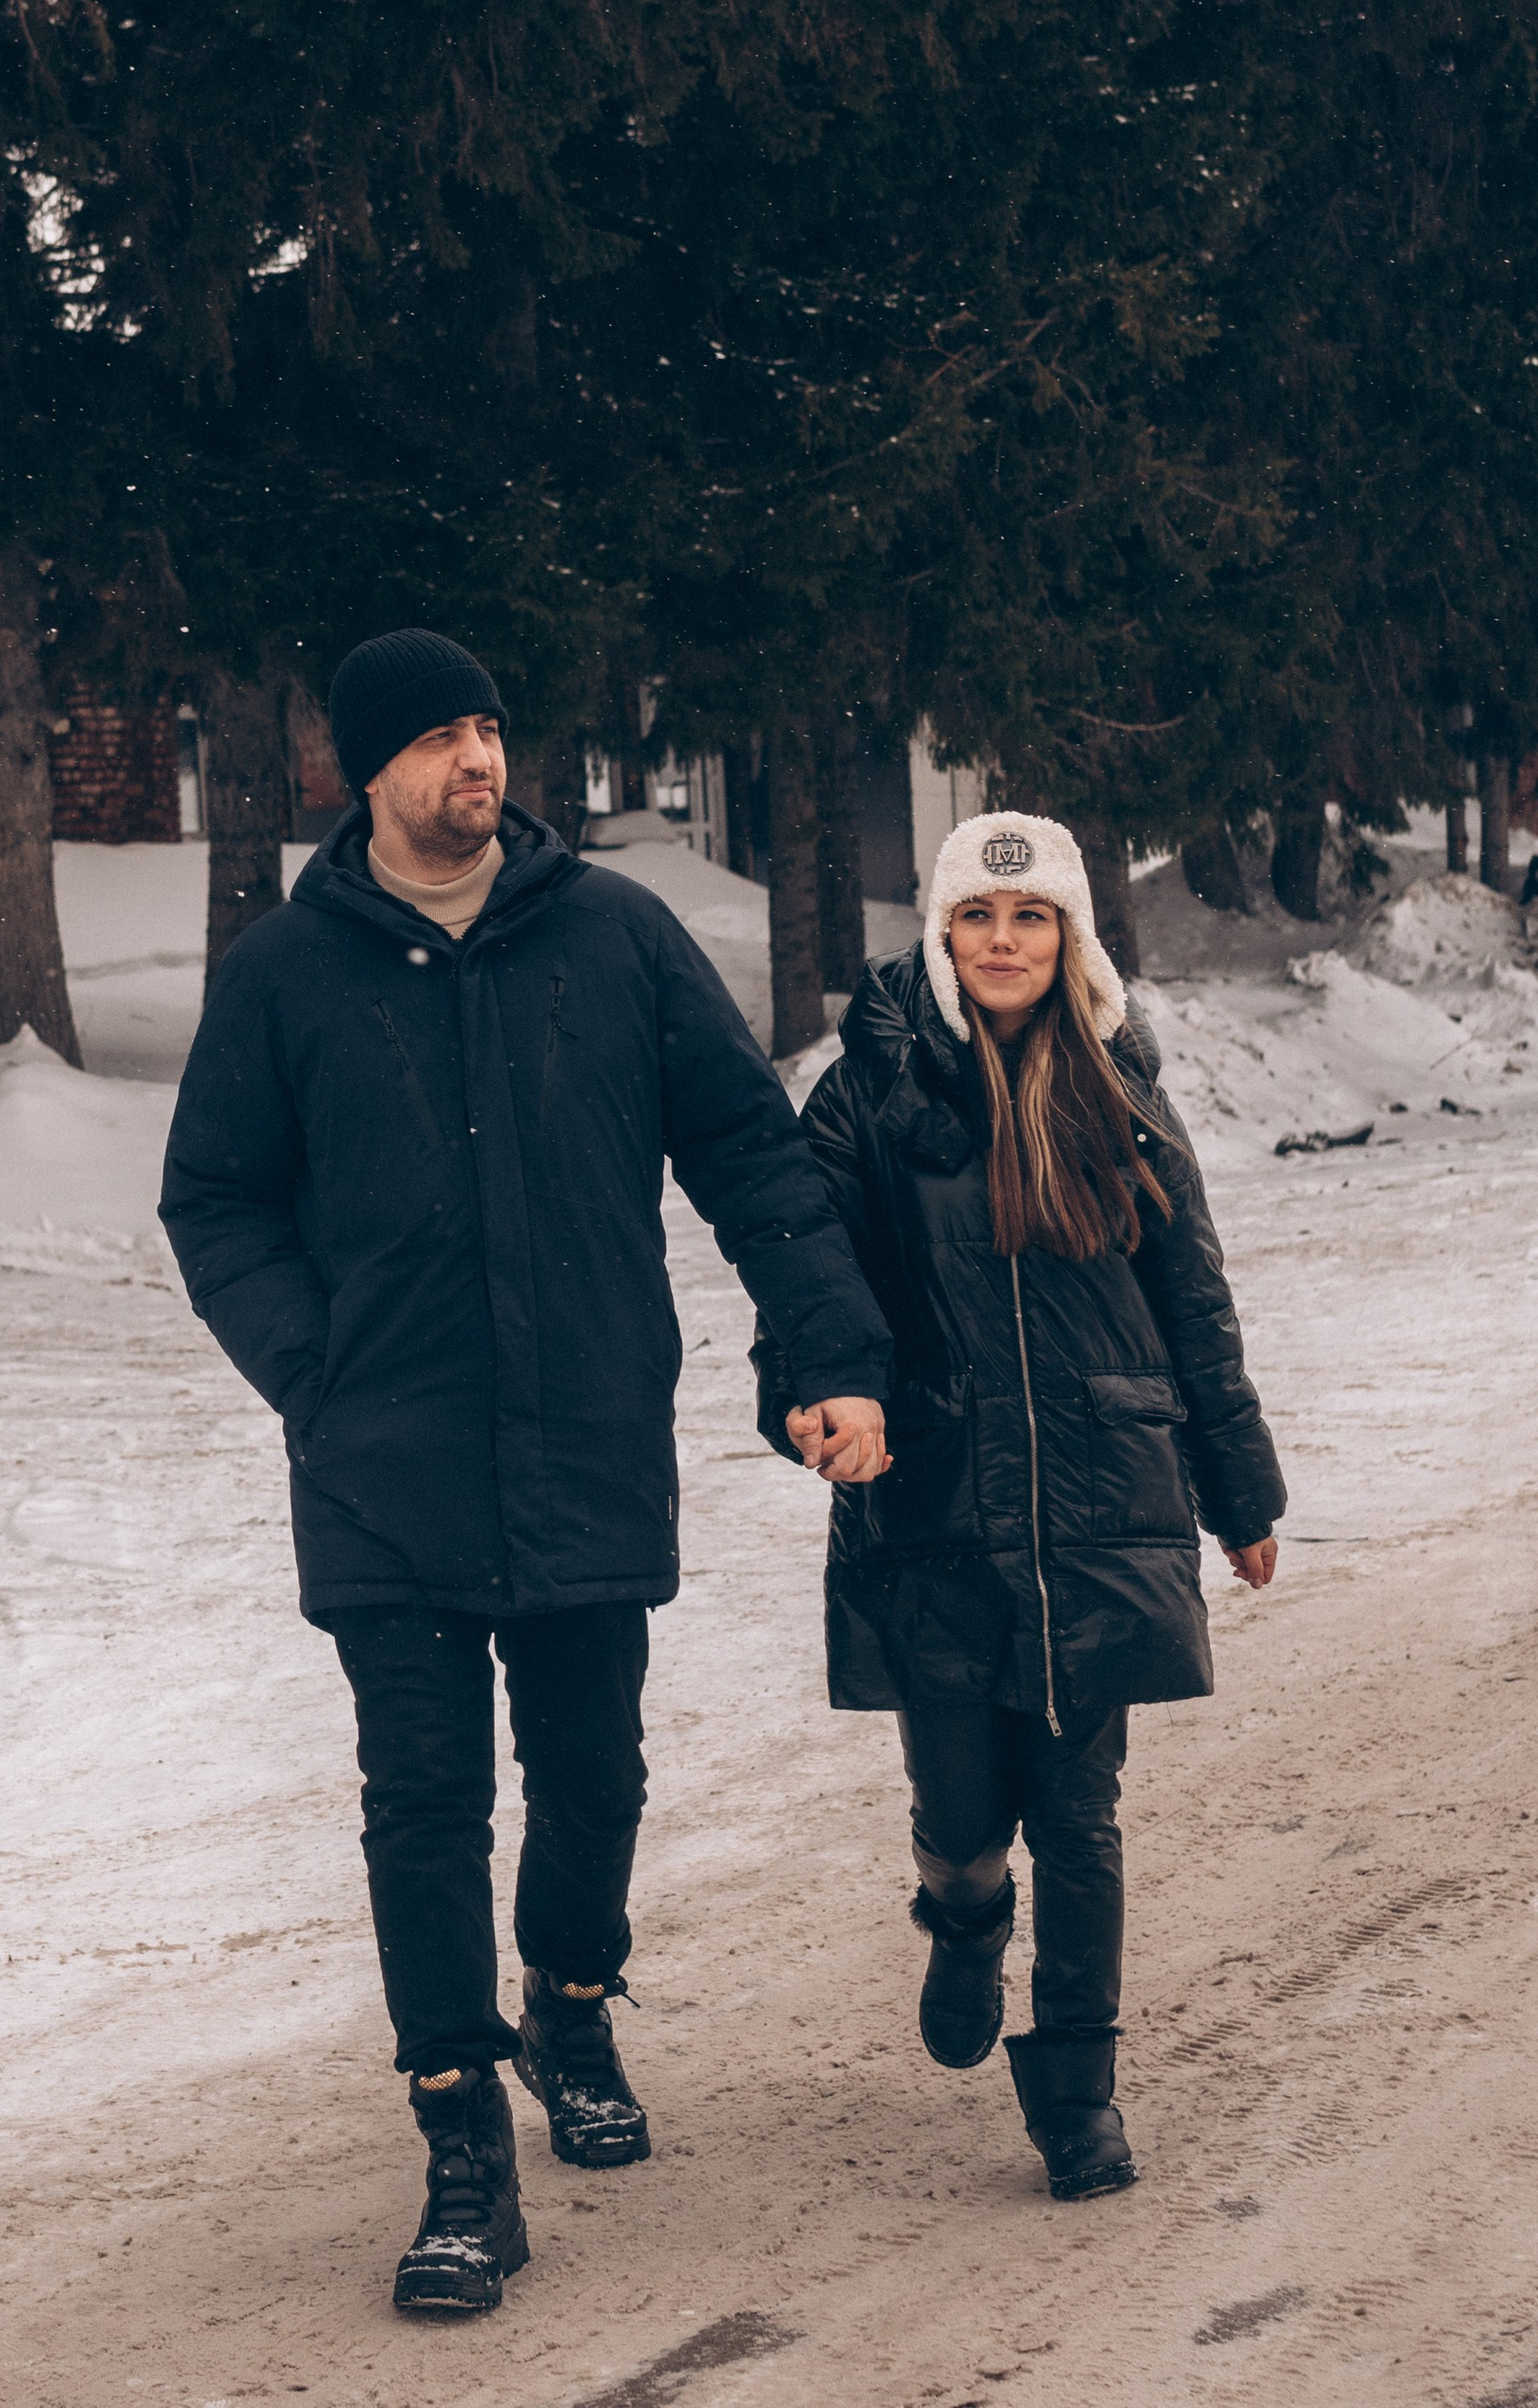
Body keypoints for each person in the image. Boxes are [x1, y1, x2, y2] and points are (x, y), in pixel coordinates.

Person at [159, 628, 893, 2317]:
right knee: (420, 1810)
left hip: (583, 1438)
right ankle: (461, 2155)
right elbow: (215, 1200)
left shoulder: (616, 936)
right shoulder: (284, 972)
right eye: (436, 736)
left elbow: (751, 1162)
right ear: (368, 773)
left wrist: (836, 1351)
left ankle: (568, 1996)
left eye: (489, 726)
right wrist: (313, 1373)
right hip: (384, 1463)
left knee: (593, 1781)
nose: (476, 759)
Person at [756, 811, 1284, 2201]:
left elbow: (1194, 1305)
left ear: (1070, 937)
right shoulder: (867, 1094)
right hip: (931, 1500)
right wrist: (815, 1400)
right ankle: (963, 1909)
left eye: (1031, 917)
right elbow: (808, 1279)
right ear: (941, 934)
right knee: (964, 1802)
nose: (1004, 941)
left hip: (1106, 1500)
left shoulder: (1120, 1089)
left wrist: (1242, 1490)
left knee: (1082, 1809)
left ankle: (1080, 2096)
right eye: (979, 919)